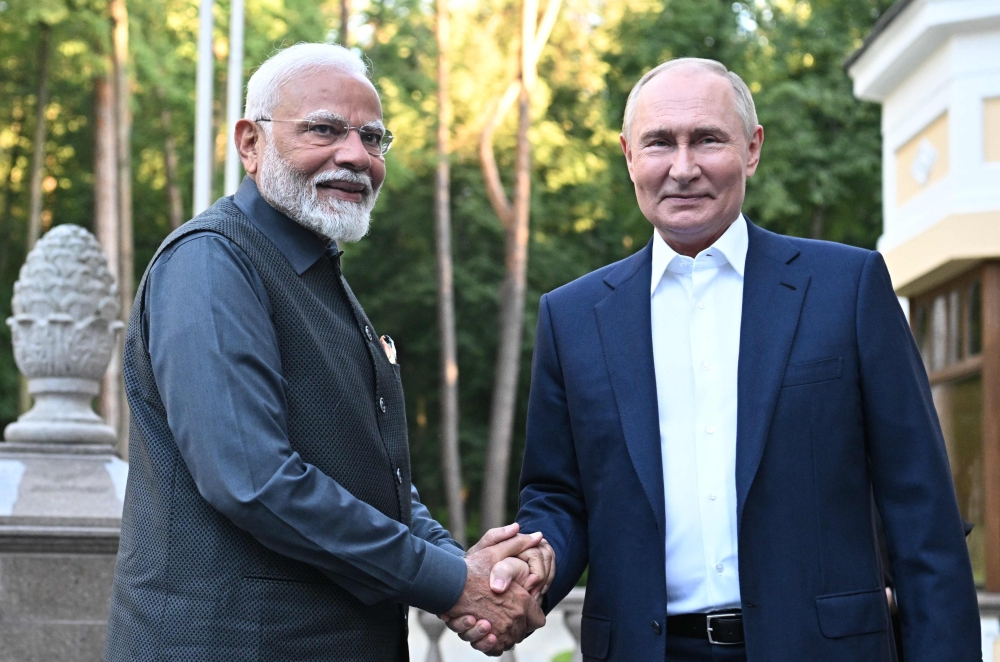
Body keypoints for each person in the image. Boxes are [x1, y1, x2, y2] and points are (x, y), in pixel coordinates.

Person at [457, 57, 982, 661]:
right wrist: (532, 569)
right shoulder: (572, 318)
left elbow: (922, 510)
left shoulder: (847, 287)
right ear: (629, 155)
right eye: (659, 143)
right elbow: (559, 495)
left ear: (752, 149)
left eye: (707, 139)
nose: (683, 168)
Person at [105, 43, 548, 661]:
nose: (354, 156)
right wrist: (453, 583)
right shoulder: (212, 263)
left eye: (372, 137)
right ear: (250, 143)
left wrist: (466, 569)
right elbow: (254, 480)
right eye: (323, 129)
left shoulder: (319, 276)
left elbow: (368, 477)